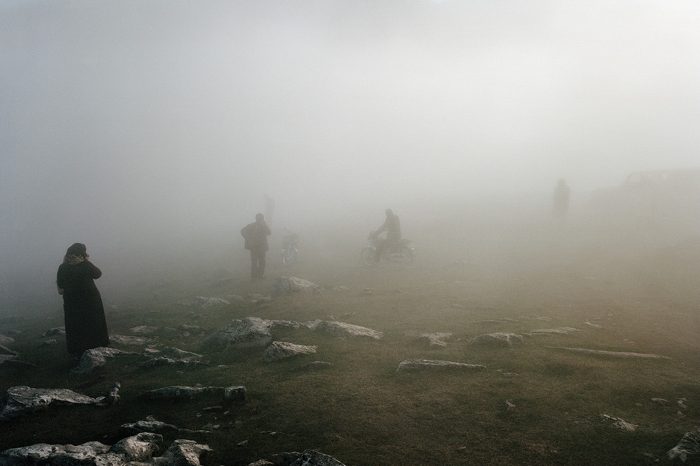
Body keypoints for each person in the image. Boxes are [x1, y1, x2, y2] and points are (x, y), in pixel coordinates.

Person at [56, 243, 109, 359]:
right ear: (82, 254)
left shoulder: (62, 267)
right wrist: (86, 262)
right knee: (94, 321)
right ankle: (98, 343)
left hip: (72, 301)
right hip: (90, 299)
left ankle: (77, 348)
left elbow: (60, 288)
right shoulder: (85, 265)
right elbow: (98, 274)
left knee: (75, 324)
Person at [241, 213, 271, 280]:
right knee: (261, 261)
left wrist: (247, 239)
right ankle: (259, 276)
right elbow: (269, 232)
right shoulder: (257, 226)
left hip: (255, 247)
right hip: (258, 247)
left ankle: (255, 277)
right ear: (261, 219)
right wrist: (248, 238)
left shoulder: (252, 225)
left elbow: (269, 232)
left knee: (256, 262)